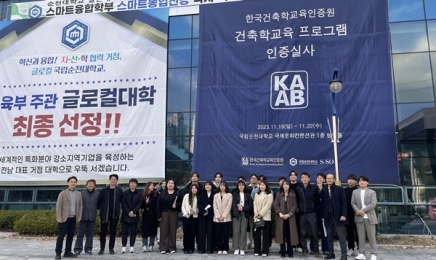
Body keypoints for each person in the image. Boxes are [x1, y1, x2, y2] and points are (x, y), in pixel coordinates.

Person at [321, 173, 348, 260]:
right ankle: (331, 253)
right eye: (327, 178)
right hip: (327, 216)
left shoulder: (339, 189)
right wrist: (323, 216)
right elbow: (322, 203)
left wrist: (343, 214)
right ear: (326, 180)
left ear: (333, 179)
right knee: (329, 236)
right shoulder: (323, 189)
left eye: (331, 178)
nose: (329, 180)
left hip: (338, 216)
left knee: (341, 236)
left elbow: (344, 202)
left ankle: (344, 255)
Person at [55, 176, 83, 259]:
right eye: (71, 182)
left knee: (70, 236)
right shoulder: (63, 193)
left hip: (73, 218)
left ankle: (68, 251)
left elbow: (80, 206)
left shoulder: (79, 193)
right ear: (68, 183)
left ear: (76, 183)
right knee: (61, 236)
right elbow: (59, 206)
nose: (73, 183)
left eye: (74, 182)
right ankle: (58, 252)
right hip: (64, 218)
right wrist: (59, 217)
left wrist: (79, 216)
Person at [351, 176, 378, 260]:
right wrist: (358, 211)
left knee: (371, 237)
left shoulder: (372, 192)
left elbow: (373, 204)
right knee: (360, 237)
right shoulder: (355, 192)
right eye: (360, 181)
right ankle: (361, 253)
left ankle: (373, 253)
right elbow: (353, 203)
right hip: (359, 217)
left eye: (363, 181)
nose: (361, 182)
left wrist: (363, 210)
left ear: (367, 183)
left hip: (369, 217)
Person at [294, 172, 321, 258]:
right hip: (302, 214)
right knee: (303, 233)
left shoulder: (314, 188)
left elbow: (318, 200)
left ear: (309, 178)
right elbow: (296, 200)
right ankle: (304, 250)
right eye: (302, 177)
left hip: (312, 213)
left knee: (314, 233)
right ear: (300, 179)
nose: (304, 179)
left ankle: (316, 250)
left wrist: (314, 209)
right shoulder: (298, 188)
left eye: (306, 177)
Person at [98, 174, 123, 255]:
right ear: (109, 180)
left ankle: (111, 249)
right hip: (104, 214)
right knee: (103, 232)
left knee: (113, 232)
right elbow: (99, 202)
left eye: (115, 179)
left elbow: (121, 201)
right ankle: (102, 249)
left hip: (114, 214)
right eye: (112, 179)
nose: (113, 181)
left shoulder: (119, 190)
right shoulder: (104, 190)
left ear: (117, 181)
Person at [274, 180, 299, 258]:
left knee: (290, 235)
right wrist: (280, 213)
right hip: (281, 217)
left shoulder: (293, 194)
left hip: (290, 218)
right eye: (284, 184)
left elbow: (294, 205)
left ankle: (290, 252)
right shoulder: (278, 194)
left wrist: (289, 214)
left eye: (287, 184)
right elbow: (275, 204)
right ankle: (283, 252)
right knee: (282, 235)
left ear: (289, 186)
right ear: (282, 185)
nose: (285, 186)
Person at [74, 179, 99, 256]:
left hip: (92, 217)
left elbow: (100, 204)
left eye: (92, 184)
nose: (90, 185)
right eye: (89, 184)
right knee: (80, 234)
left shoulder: (98, 194)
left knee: (90, 234)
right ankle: (78, 249)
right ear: (86, 185)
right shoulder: (81, 194)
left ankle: (88, 249)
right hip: (82, 216)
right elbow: (77, 205)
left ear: (94, 186)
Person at [156, 179, 181, 254]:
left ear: (174, 185)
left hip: (173, 213)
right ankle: (163, 247)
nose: (170, 184)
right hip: (164, 213)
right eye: (169, 183)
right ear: (166, 185)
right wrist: (158, 215)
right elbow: (158, 205)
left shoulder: (177, 193)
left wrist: (176, 205)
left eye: (172, 183)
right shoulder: (162, 194)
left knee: (172, 230)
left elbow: (180, 202)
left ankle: (172, 247)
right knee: (164, 231)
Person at [232, 180, 253, 256]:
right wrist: (237, 215)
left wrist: (243, 208)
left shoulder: (247, 195)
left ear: (244, 186)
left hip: (245, 214)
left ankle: (243, 248)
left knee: (243, 231)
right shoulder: (234, 195)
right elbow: (233, 206)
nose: (241, 187)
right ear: (237, 186)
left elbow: (250, 206)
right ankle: (236, 248)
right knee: (236, 231)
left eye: (242, 185)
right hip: (236, 215)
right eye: (239, 185)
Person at [121, 178, 142, 253]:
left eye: (134, 183)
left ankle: (132, 246)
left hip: (134, 215)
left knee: (133, 231)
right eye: (131, 183)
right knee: (124, 232)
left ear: (136, 185)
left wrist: (133, 211)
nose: (132, 184)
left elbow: (139, 204)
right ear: (129, 184)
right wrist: (128, 212)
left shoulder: (139, 193)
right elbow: (123, 204)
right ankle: (123, 246)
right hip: (126, 215)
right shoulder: (125, 193)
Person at [253, 180, 273, 257]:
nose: (261, 186)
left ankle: (265, 251)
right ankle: (257, 250)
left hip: (266, 217)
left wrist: (261, 214)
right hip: (257, 217)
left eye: (263, 185)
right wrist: (256, 214)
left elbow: (268, 206)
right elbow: (254, 204)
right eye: (260, 185)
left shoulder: (269, 195)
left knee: (266, 235)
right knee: (257, 235)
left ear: (266, 186)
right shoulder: (256, 194)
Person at [213, 181, 232, 255]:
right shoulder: (216, 195)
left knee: (225, 234)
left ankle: (225, 248)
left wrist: (223, 216)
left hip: (226, 218)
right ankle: (219, 248)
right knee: (218, 234)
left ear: (226, 187)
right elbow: (215, 206)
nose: (222, 187)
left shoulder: (229, 195)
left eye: (224, 185)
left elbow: (229, 206)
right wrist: (218, 216)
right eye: (221, 185)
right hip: (217, 218)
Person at [313, 173, 329, 255]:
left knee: (324, 232)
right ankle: (313, 248)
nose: (319, 179)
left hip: (324, 214)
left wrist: (321, 190)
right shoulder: (313, 188)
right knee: (314, 231)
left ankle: (325, 249)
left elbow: (326, 201)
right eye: (318, 177)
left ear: (324, 180)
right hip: (314, 213)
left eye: (321, 178)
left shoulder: (326, 189)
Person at [198, 181, 215, 254]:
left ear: (211, 186)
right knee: (202, 233)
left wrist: (208, 211)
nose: (207, 186)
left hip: (211, 215)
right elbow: (199, 204)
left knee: (210, 233)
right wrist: (203, 211)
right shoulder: (201, 194)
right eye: (206, 185)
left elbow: (214, 204)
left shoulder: (214, 195)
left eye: (209, 185)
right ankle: (201, 249)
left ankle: (210, 249)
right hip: (202, 216)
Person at [182, 184, 200, 254]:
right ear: (190, 189)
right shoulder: (186, 196)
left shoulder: (198, 197)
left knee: (192, 233)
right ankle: (186, 248)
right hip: (186, 216)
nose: (194, 189)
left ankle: (191, 248)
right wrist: (186, 213)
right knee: (186, 233)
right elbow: (183, 206)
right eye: (193, 188)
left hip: (194, 217)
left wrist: (194, 211)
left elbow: (199, 207)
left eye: (195, 188)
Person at [141, 182, 158, 252]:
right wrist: (145, 203)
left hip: (153, 215)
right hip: (146, 214)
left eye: (152, 185)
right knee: (145, 231)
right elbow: (141, 206)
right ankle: (144, 245)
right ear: (147, 186)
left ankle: (151, 245)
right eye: (150, 185)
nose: (152, 186)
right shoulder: (143, 195)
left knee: (152, 231)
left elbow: (157, 205)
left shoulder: (155, 195)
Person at [344, 174, 359, 256]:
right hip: (348, 215)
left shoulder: (358, 190)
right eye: (349, 179)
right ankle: (351, 248)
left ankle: (360, 248)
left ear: (355, 181)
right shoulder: (344, 190)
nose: (350, 181)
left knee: (359, 233)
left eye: (352, 179)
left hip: (357, 214)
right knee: (349, 233)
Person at [247, 174, 259, 250]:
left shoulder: (260, 188)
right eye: (252, 178)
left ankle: (257, 244)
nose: (253, 180)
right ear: (250, 179)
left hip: (258, 212)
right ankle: (249, 243)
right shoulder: (247, 188)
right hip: (249, 212)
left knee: (257, 228)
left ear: (257, 180)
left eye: (255, 178)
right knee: (249, 228)